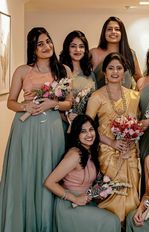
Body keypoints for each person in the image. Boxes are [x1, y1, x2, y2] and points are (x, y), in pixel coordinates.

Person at [0, 27, 72, 232]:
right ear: (33, 48)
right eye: (40, 43)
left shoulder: (63, 70)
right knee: (25, 172)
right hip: (26, 127)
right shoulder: (23, 70)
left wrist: (52, 104)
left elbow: (69, 103)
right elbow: (10, 102)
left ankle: (46, 224)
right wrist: (25, 106)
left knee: (49, 170)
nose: (46, 46)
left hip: (52, 128)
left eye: (48, 41)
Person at [86, 52, 141, 223]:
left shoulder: (134, 96)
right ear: (104, 71)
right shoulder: (96, 96)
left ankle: (130, 225)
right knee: (111, 194)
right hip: (107, 151)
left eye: (119, 68)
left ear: (124, 71)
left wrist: (130, 139)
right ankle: (111, 226)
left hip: (130, 150)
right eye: (111, 68)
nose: (115, 72)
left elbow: (137, 123)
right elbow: (88, 126)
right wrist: (112, 142)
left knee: (132, 196)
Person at [44, 114, 121, 232]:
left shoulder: (90, 151)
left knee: (115, 215)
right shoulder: (75, 155)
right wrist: (74, 198)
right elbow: (49, 182)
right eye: (83, 131)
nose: (89, 134)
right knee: (111, 220)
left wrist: (100, 190)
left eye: (91, 130)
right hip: (69, 205)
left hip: (84, 202)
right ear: (77, 135)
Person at [90, 16, 142, 89]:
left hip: (126, 99)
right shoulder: (94, 53)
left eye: (117, 29)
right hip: (100, 99)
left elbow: (139, 78)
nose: (113, 32)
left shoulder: (130, 53)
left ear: (122, 33)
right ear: (104, 32)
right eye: (109, 29)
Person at [60, 30, 96, 124]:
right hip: (63, 124)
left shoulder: (91, 75)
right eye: (73, 46)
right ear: (67, 48)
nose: (78, 50)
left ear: (85, 50)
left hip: (86, 126)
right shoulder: (60, 73)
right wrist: (66, 117)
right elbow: (53, 102)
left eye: (81, 46)